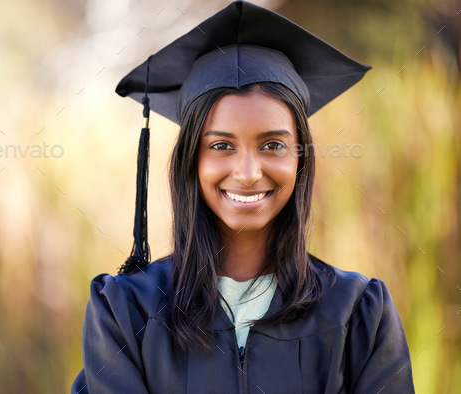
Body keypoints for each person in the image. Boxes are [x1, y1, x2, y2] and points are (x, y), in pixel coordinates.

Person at [72, 1, 415, 393]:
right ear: (191, 159)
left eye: (272, 144)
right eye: (221, 145)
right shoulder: (125, 312)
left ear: (301, 158)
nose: (249, 174)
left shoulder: (357, 313)